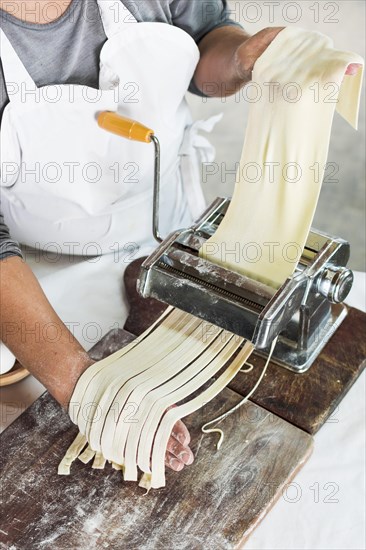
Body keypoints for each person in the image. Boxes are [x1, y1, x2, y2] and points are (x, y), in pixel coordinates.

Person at [0, 0, 359, 474]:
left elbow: (206, 40)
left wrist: (238, 58)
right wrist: (86, 388)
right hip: (39, 278)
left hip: (171, 235)